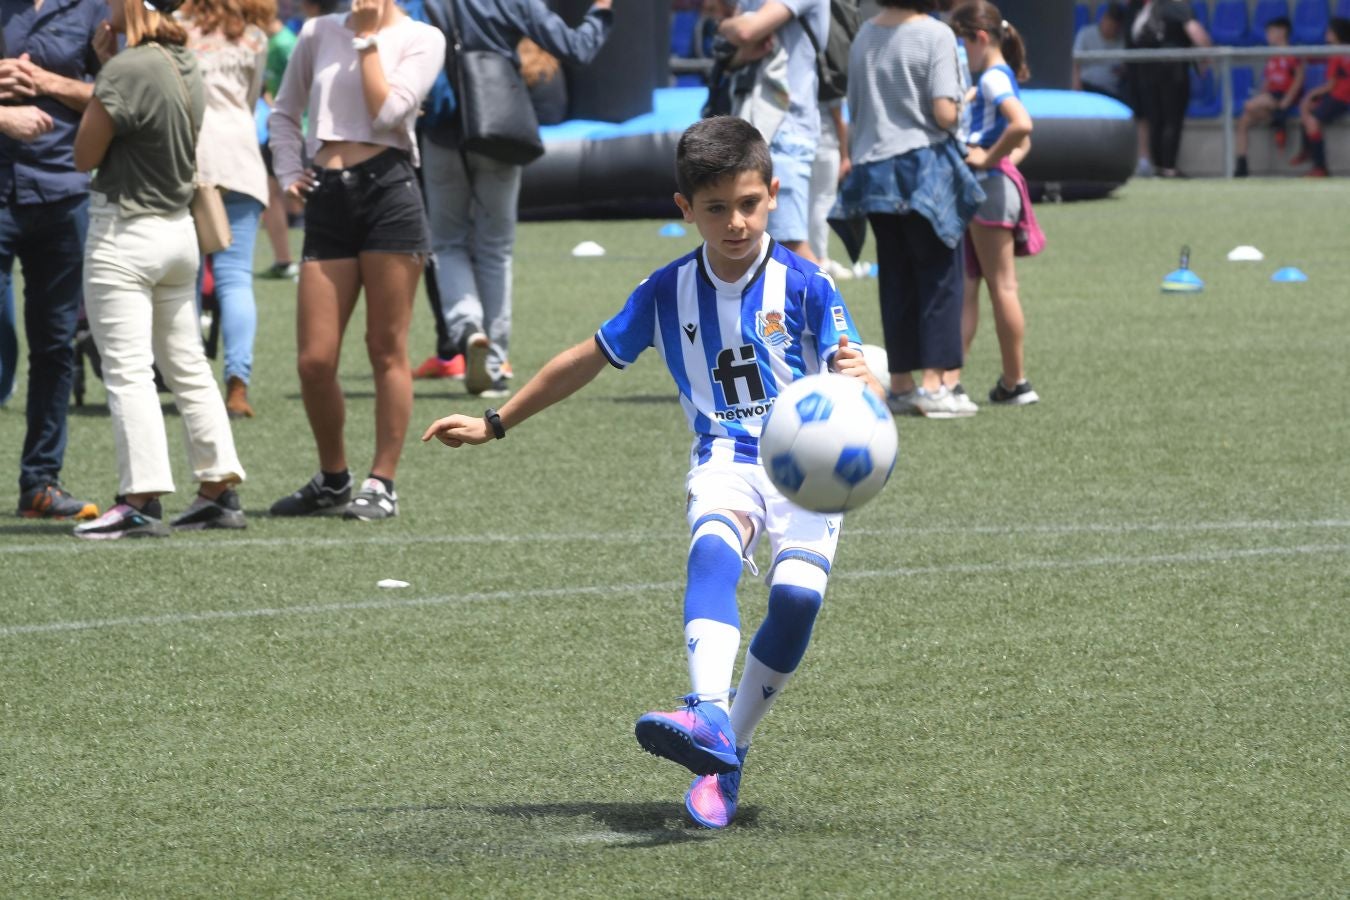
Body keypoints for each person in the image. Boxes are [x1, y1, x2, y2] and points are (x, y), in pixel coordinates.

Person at [423, 116, 883, 830]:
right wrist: (495, 421)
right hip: (726, 456)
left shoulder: (808, 285)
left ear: (774, 195)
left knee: (796, 602)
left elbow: (859, 382)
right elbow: (586, 357)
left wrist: (863, 380)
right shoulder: (667, 290)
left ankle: (726, 748)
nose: (736, 222)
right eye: (715, 208)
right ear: (684, 209)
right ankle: (704, 712)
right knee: (712, 552)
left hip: (808, 466)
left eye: (750, 204)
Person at [71, 0, 248, 539]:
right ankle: (218, 489)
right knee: (187, 365)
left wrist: (103, 72)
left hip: (125, 231)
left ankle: (140, 500)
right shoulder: (182, 58)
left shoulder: (127, 67)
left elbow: (85, 154)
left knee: (128, 372)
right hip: (178, 234)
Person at [267, 0, 444, 521]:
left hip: (390, 190)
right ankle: (333, 477)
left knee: (386, 346)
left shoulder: (422, 37)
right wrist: (286, 172)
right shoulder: (318, 31)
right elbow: (283, 110)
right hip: (327, 193)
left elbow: (388, 113)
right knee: (314, 360)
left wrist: (367, 41)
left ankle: (382, 481)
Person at [417, 0, 613, 400]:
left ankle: (467, 326)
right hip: (498, 120)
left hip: (440, 126)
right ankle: (494, 364)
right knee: (496, 248)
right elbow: (577, 48)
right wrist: (602, 11)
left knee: (448, 243)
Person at [832, 0, 983, 419]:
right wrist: (964, 103)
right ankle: (935, 386)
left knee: (895, 279)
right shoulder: (936, 34)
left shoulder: (864, 35)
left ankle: (900, 384)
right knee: (939, 277)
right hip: (924, 169)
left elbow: (856, 109)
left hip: (874, 170)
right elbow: (943, 111)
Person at [1, 0, 106, 519]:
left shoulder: (94, 10)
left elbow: (114, 94)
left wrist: (45, 81)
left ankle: (40, 483)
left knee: (55, 345)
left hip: (63, 192)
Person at [947, 1, 1042, 409]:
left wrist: (987, 160)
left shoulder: (992, 79)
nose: (959, 53)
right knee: (972, 285)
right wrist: (1001, 162)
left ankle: (1013, 380)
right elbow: (1023, 143)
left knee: (994, 287)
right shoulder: (991, 79)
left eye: (961, 43)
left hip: (987, 190)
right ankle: (957, 378)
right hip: (990, 189)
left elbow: (1023, 125)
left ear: (980, 38)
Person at [181, 0, 274, 419]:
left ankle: (188, 379)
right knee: (236, 279)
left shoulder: (176, 27)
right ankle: (237, 385)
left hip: (189, 159)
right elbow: (251, 101)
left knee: (183, 276)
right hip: (241, 161)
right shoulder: (255, 38)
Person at [716, 0, 828, 264]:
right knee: (751, 245)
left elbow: (745, 32)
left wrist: (725, 25)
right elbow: (731, 55)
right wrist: (741, 45)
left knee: (789, 245)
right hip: (752, 131)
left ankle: (828, 306)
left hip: (786, 133)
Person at [1130, 0, 1210, 179]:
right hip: (1173, 70)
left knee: (1155, 120)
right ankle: (1168, 168)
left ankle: (1158, 167)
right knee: (1172, 120)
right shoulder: (1179, 7)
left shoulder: (1151, 7)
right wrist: (1208, 55)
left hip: (1147, 70)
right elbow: (1196, 32)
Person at [258, 12, 300, 280]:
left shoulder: (286, 43)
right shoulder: (268, 43)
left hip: (298, 130)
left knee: (300, 194)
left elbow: (306, 85)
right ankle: (284, 260)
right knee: (270, 192)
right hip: (277, 128)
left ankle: (300, 260)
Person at [1235, 16, 1302, 178]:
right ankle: (1241, 166)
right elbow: (1267, 80)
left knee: (1249, 105)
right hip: (1270, 99)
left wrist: (1287, 99)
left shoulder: (1291, 53)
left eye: (1270, 32)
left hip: (1283, 97)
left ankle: (1279, 120)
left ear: (1282, 32)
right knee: (1243, 121)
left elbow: (1299, 77)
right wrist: (1262, 92)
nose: (1268, 35)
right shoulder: (1272, 55)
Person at [1293, 18, 1350, 178]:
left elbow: (1330, 85)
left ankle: (1320, 167)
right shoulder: (1342, 51)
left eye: (1330, 31)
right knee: (1306, 108)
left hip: (1340, 98)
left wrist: (1310, 94)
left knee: (1312, 120)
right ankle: (1306, 149)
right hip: (1340, 96)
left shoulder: (1337, 53)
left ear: (1338, 34)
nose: (1326, 34)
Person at [1073, 2, 1128, 103]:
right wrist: (1076, 85)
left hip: (1110, 92)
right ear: (1103, 18)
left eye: (1113, 26)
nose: (1109, 28)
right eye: (1108, 22)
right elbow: (1075, 62)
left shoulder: (1122, 42)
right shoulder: (1085, 33)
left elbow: (1123, 69)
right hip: (1086, 86)